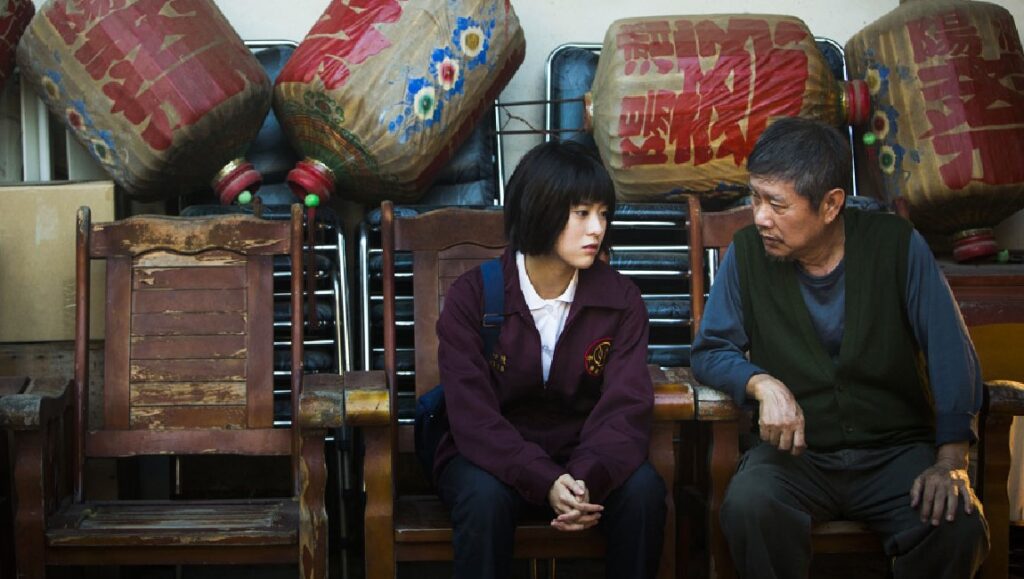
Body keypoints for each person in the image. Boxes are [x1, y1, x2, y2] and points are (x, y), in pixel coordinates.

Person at [691, 117, 989, 579]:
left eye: (776, 203)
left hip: (894, 453)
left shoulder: (896, 245)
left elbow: (950, 350)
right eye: (755, 197)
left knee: (957, 522)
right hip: (796, 458)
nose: (760, 216)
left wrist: (951, 461)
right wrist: (760, 382)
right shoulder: (747, 253)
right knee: (750, 504)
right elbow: (710, 350)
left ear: (830, 204)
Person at [434, 140, 666, 579]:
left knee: (644, 493)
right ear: (539, 209)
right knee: (483, 499)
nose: (597, 228)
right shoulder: (474, 296)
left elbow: (625, 408)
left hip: (583, 456)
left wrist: (583, 481)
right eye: (581, 213)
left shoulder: (621, 301)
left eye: (602, 213)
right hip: (490, 456)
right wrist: (542, 480)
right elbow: (473, 417)